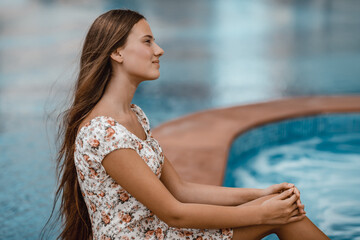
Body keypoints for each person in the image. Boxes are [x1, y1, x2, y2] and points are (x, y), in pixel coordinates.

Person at [49, 9, 330, 240]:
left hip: (162, 233)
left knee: (287, 213)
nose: (159, 50)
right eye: (147, 41)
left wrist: (262, 194)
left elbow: (181, 190)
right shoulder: (103, 133)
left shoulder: (134, 116)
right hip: (156, 233)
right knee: (283, 217)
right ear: (117, 53)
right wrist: (263, 213)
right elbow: (174, 211)